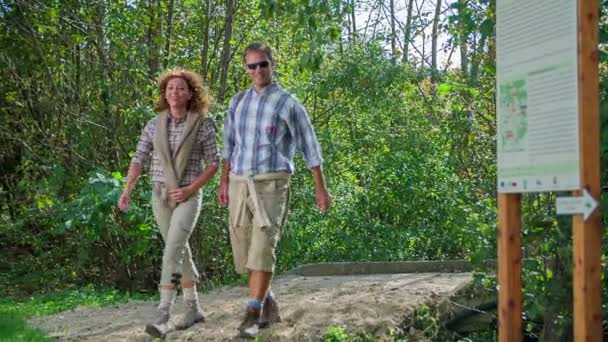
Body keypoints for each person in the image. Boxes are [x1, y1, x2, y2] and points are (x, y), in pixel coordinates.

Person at [218, 42, 331, 338]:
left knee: (263, 247)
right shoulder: (237, 102)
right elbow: (228, 145)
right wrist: (223, 181)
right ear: (246, 69)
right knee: (243, 255)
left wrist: (321, 189)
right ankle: (269, 303)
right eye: (252, 66)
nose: (258, 70)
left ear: (272, 64)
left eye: (263, 64)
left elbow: (310, 146)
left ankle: (252, 312)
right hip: (240, 183)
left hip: (272, 182)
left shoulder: (288, 103)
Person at [117, 68, 219, 338]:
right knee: (179, 250)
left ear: (190, 94)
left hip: (188, 196)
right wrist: (127, 190)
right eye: (170, 88)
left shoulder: (203, 124)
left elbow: (213, 164)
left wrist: (190, 189)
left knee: (172, 250)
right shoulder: (153, 125)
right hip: (160, 195)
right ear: (165, 93)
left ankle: (163, 313)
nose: (175, 92)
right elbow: (138, 159)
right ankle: (193, 307)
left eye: (181, 88)